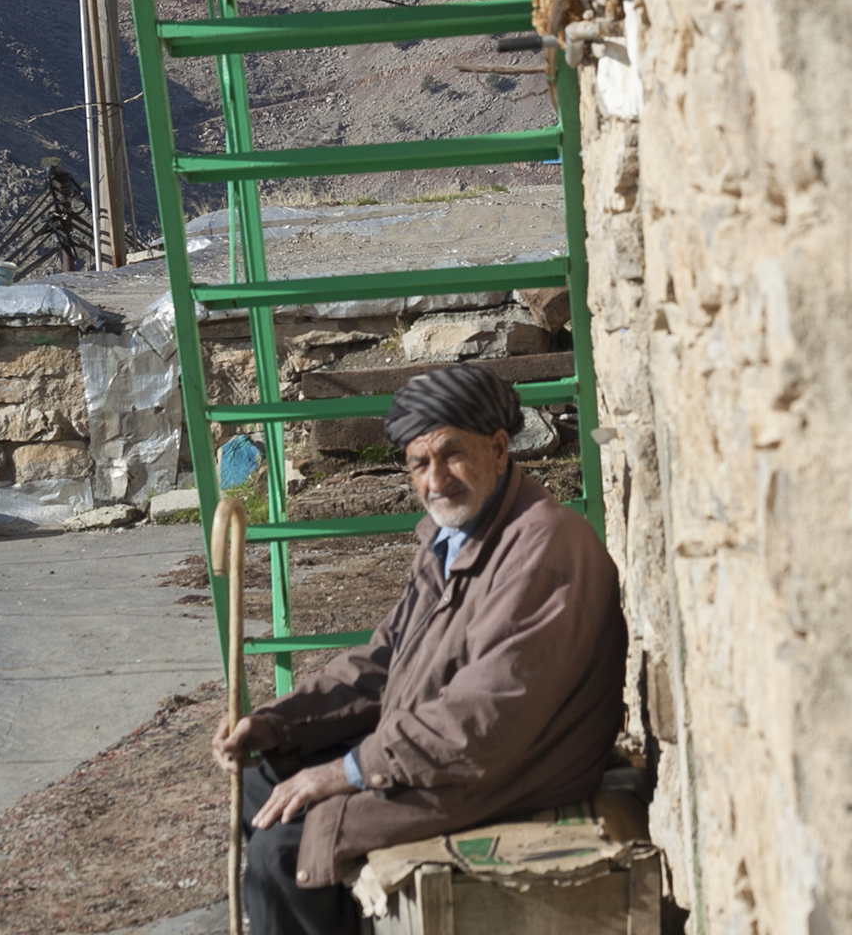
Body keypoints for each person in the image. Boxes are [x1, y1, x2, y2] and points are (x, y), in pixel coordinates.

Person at [207, 363, 626, 935]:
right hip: (442, 748)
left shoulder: (543, 551)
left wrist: (349, 771)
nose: (436, 480)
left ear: (499, 449)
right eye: (419, 463)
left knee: (288, 848)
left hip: (508, 769)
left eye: (452, 454)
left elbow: (482, 723)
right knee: (261, 780)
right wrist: (278, 722)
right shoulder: (454, 536)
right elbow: (384, 660)